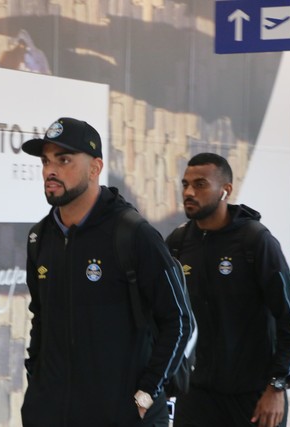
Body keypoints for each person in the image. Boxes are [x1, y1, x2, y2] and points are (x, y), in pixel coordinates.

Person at [20, 117, 196, 427]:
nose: (51, 170)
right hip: (54, 413)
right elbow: (41, 319)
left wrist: (147, 393)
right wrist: (38, 386)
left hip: (122, 415)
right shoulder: (40, 238)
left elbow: (179, 320)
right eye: (46, 161)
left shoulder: (133, 234)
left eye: (64, 160)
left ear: (95, 167)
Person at [166, 152, 290, 427]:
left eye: (200, 184)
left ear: (226, 190)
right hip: (196, 396)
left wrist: (277, 387)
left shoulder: (255, 241)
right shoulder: (177, 243)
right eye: (185, 184)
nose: (188, 192)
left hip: (254, 397)